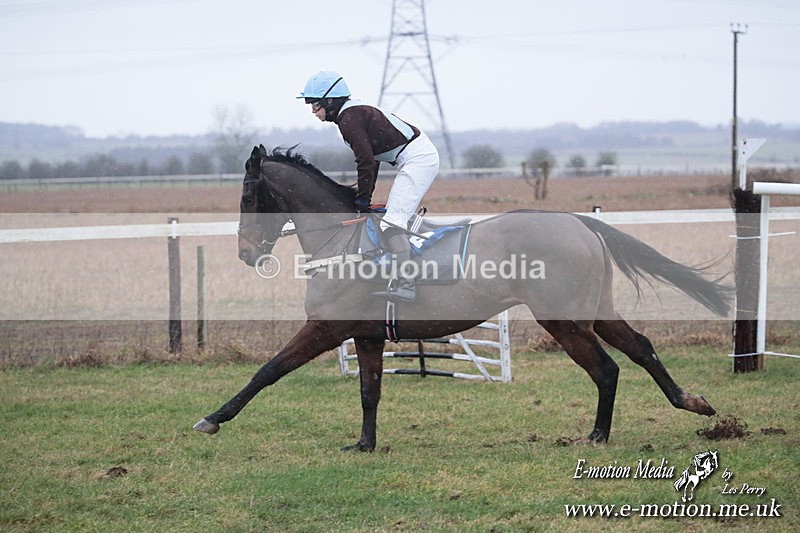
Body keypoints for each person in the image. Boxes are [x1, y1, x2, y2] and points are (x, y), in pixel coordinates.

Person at [298, 71, 440, 302]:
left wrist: (363, 201)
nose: (313, 111)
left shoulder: (348, 120)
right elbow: (371, 161)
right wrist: (363, 198)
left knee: (393, 222)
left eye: (315, 105)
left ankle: (407, 284)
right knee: (388, 219)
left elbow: (365, 161)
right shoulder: (350, 114)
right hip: (411, 157)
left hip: (418, 159)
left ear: (330, 101)